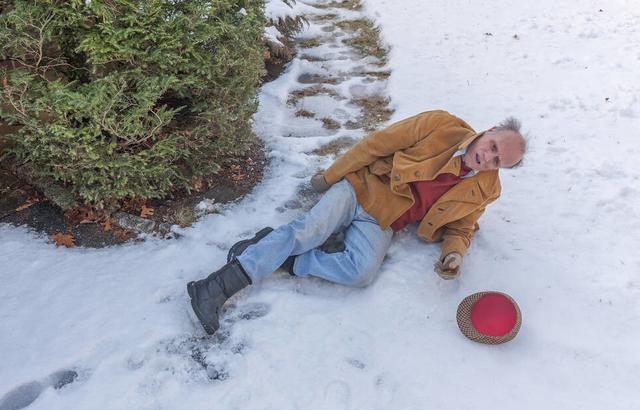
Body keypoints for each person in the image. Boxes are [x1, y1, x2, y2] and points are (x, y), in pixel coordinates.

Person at [187, 110, 527, 334]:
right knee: (308, 232)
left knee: (360, 273)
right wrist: (330, 176)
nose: (488, 157)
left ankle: (274, 254)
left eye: (498, 161)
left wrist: (454, 253)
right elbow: (377, 144)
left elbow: (462, 227)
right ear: (490, 130)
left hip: (384, 220)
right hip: (361, 187)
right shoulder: (440, 125)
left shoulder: (486, 188)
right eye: (493, 145)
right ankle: (213, 288)